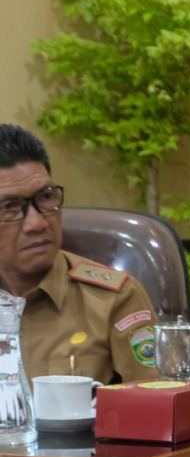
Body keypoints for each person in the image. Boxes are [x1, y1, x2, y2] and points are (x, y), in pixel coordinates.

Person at [0, 124, 158, 383]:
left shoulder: (113, 299)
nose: (37, 223)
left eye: (46, 197)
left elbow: (152, 400)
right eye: (9, 207)